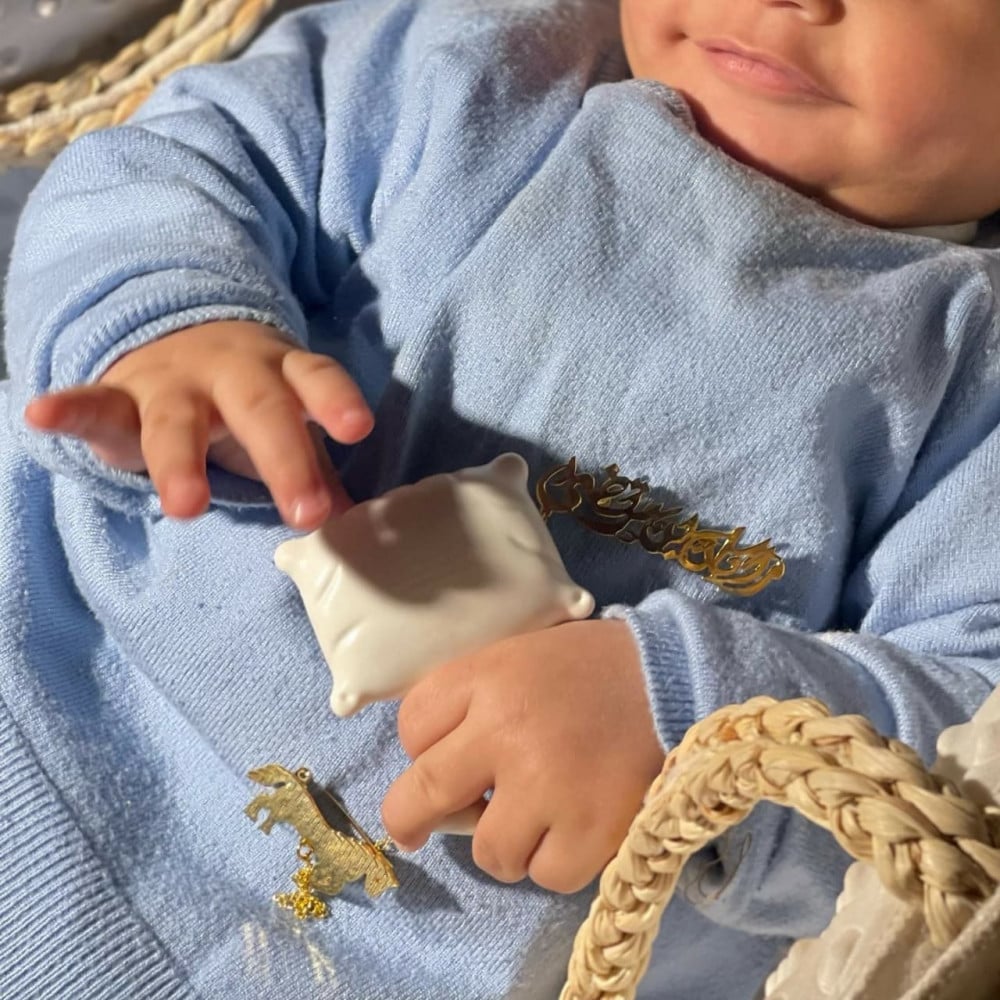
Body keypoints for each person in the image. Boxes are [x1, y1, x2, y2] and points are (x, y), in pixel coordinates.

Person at [3, 0, 1000, 997]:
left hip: (402, 962)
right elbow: (181, 157)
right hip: (53, 669)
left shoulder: (970, 380)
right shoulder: (497, 58)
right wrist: (167, 320)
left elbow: (972, 741)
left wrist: (696, 722)